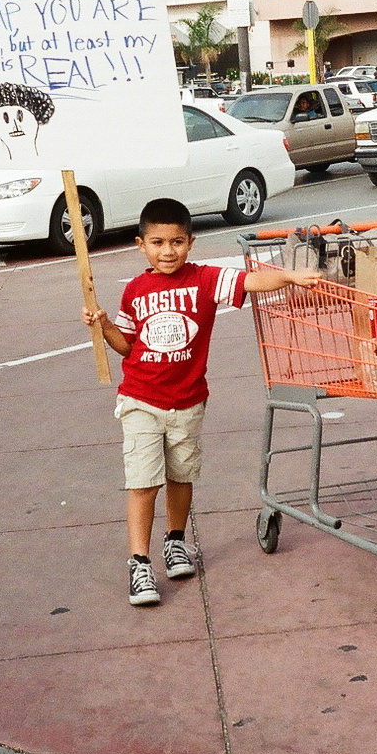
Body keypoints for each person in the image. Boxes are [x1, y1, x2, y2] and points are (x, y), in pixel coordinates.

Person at [83, 197, 319, 606]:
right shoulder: (136, 290)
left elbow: (248, 281)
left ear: (190, 243)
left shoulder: (205, 279)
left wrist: (290, 277)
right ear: (141, 245)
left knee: (181, 476)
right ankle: (139, 563)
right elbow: (126, 347)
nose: (167, 251)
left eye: (176, 242)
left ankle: (175, 541)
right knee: (143, 482)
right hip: (140, 398)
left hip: (188, 401)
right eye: (157, 243)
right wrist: (102, 325)